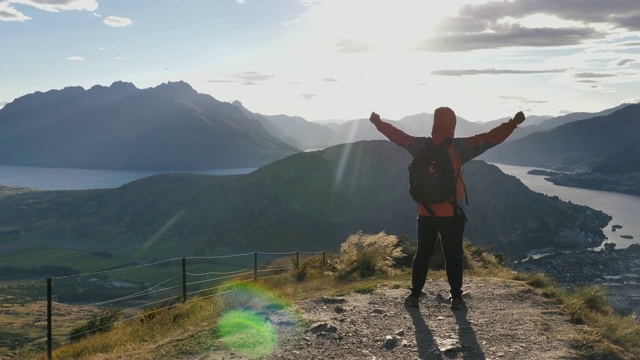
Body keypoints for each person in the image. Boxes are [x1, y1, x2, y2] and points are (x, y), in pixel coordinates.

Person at [369, 107, 525, 309]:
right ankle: (456, 297)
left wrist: (378, 123)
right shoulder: (460, 147)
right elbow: (490, 138)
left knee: (422, 253)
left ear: (434, 124)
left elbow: (398, 136)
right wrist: (512, 123)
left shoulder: (420, 145)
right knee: (453, 254)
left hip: (425, 211)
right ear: (453, 125)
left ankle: (415, 295)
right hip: (453, 213)